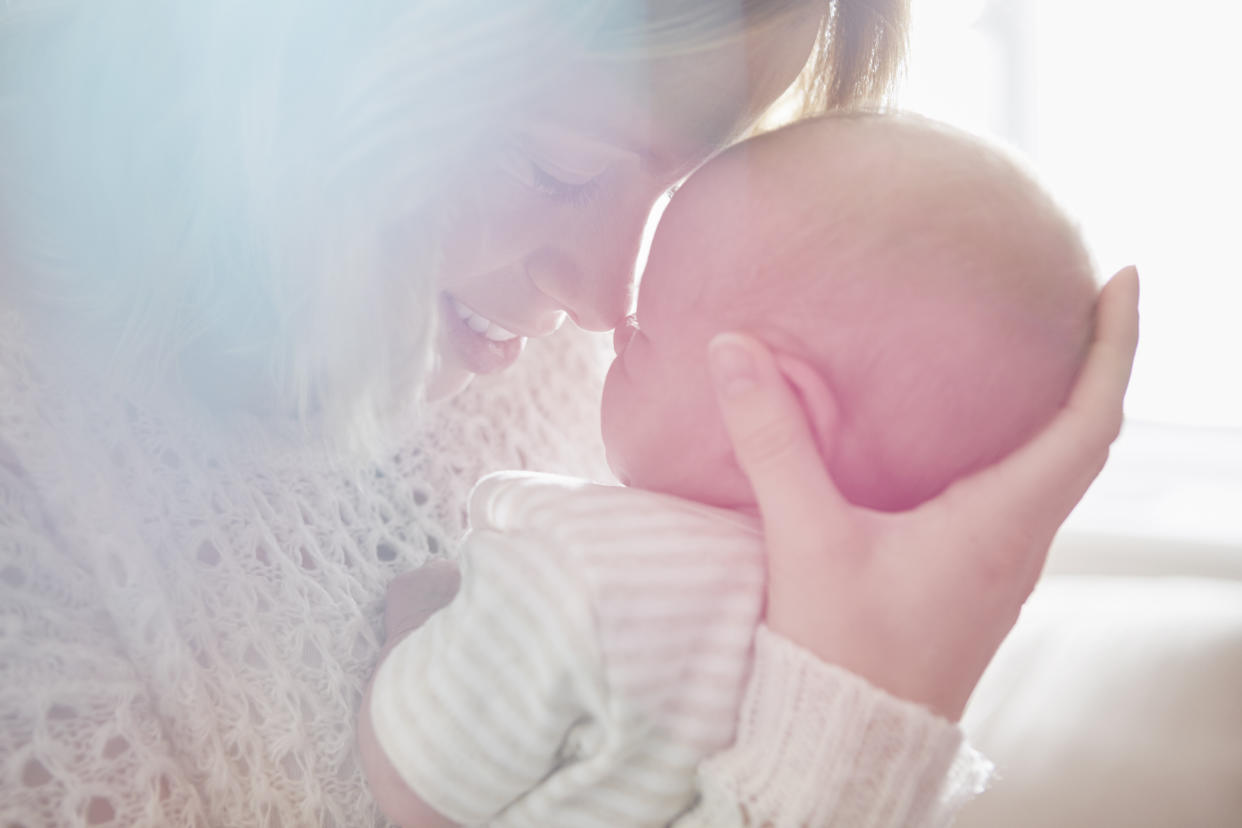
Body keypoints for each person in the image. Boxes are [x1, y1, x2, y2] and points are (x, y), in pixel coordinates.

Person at [0, 0, 1138, 826]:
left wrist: (870, 710)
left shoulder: (587, 380)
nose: (605, 304)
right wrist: (841, 765)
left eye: (688, 187)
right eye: (555, 171)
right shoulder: (39, 505)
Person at [358, 112, 1097, 827]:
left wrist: (418, 617)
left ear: (773, 408)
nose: (610, 321)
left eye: (643, 334)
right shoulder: (834, 647)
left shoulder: (583, 563)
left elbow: (419, 788)